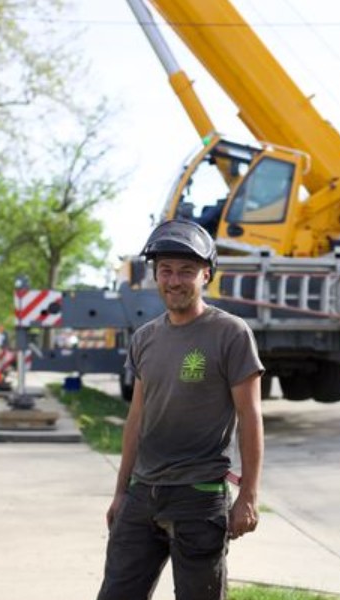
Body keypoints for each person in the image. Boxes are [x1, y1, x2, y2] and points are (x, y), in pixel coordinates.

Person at [97, 219, 265, 600]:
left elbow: (250, 418)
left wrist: (249, 496)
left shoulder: (231, 333)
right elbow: (136, 419)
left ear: (206, 274)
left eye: (186, 271)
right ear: (155, 275)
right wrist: (121, 492)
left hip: (200, 496)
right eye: (166, 271)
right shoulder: (145, 338)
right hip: (143, 495)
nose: (174, 280)